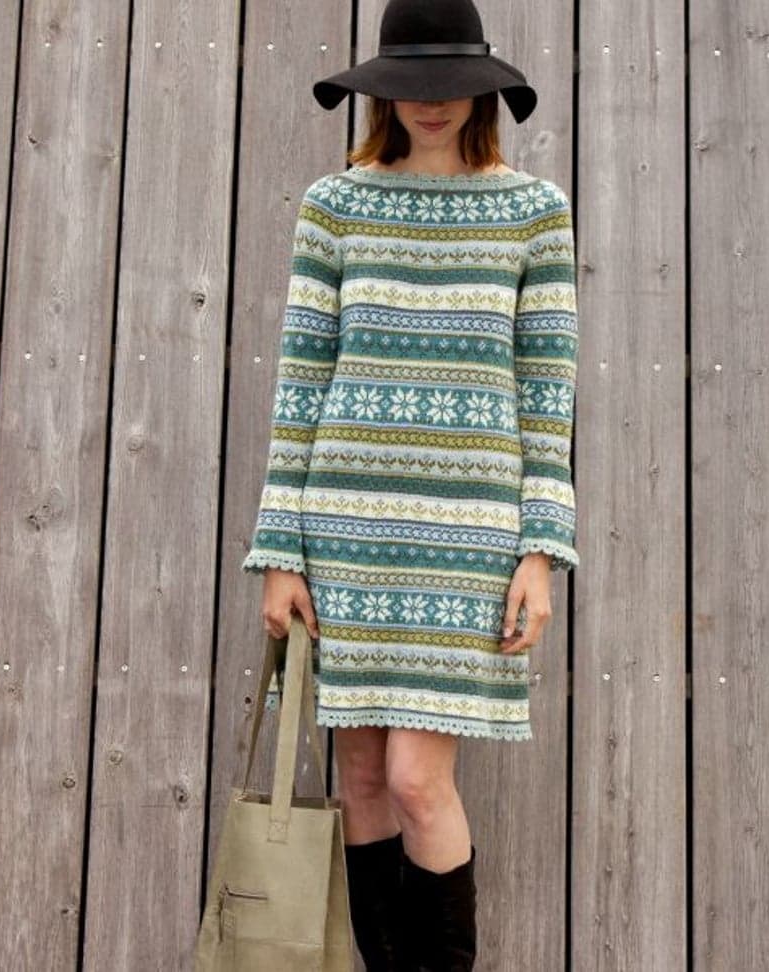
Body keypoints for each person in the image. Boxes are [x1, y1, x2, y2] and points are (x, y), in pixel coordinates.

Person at [241, 0, 579, 968]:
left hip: (469, 543)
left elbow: (547, 395)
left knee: (418, 783)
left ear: (485, 91)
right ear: (380, 95)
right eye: (409, 88)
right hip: (345, 530)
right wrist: (280, 551)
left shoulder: (534, 212)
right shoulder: (336, 205)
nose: (431, 105)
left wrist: (541, 552)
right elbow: (302, 382)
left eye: (450, 86)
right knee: (359, 779)